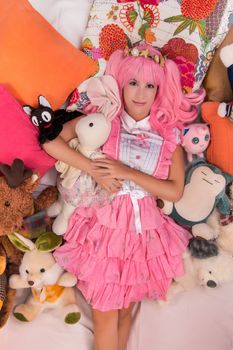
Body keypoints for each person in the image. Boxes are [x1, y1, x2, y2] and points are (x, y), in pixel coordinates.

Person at [43, 42, 205, 350]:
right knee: (105, 316)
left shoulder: (169, 136)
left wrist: (126, 171)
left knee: (126, 308)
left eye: (149, 85)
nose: (140, 93)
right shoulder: (106, 121)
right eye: (133, 82)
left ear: (160, 90)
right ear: (120, 83)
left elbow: (174, 189)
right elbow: (51, 142)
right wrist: (93, 168)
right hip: (104, 231)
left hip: (146, 238)